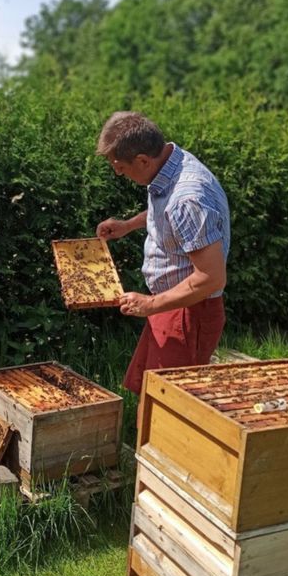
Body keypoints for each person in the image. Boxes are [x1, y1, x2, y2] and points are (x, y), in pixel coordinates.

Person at [95, 111, 230, 402]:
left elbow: (211, 277)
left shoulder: (188, 197)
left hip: (190, 313)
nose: (118, 173)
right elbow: (168, 216)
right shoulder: (172, 163)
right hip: (173, 304)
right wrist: (128, 225)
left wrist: (150, 303)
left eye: (119, 167)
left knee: (170, 405)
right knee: (151, 391)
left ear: (143, 160)